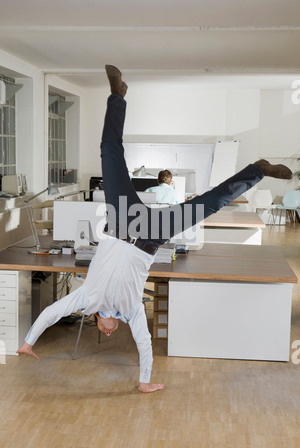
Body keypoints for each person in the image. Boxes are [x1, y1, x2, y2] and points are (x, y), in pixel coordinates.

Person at [17, 65, 292, 393]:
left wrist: (28, 341)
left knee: (109, 152)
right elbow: (144, 344)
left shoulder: (85, 299)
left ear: (96, 321)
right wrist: (144, 382)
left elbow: (50, 311)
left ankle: (117, 95)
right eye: (110, 333)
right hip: (150, 237)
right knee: (209, 204)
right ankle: (258, 169)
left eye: (103, 331)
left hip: (122, 222)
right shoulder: (133, 312)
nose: (108, 331)